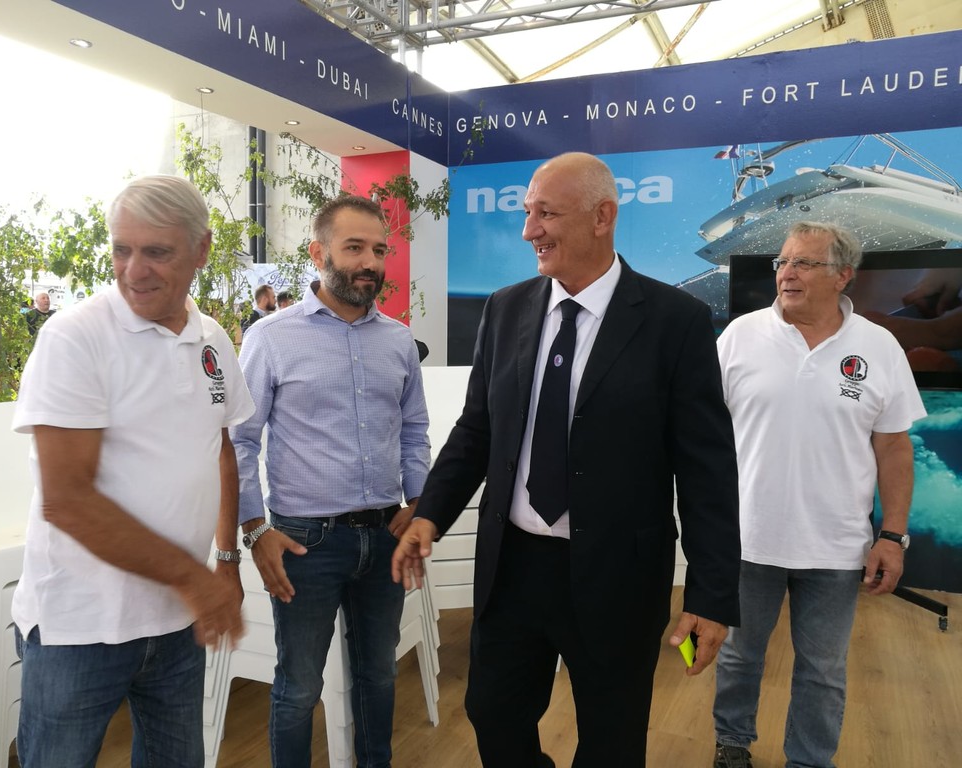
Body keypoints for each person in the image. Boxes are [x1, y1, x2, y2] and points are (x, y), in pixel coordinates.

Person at [392, 152, 741, 768]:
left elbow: (706, 470)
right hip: (513, 566)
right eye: (528, 213)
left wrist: (710, 596)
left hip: (618, 575)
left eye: (546, 214)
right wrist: (430, 513)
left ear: (602, 217)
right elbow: (477, 429)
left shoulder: (675, 321)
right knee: (493, 713)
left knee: (612, 739)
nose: (529, 230)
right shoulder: (505, 308)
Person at [11, 175, 255, 767]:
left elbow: (219, 448)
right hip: (79, 625)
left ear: (201, 250)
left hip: (177, 624)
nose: (133, 270)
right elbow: (68, 500)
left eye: (156, 252)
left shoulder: (212, 339)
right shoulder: (74, 337)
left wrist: (226, 558)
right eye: (122, 249)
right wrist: (195, 579)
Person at [711, 221, 926, 768]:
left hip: (836, 546)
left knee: (823, 670)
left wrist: (893, 536)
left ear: (842, 276)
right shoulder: (739, 336)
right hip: (749, 538)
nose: (787, 273)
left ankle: (808, 761)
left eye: (804, 263)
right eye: (783, 262)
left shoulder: (879, 345)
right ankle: (731, 743)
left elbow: (894, 448)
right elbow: (704, 434)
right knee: (738, 655)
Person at [232, 195, 430, 768]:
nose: (370, 262)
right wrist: (254, 529)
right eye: (354, 248)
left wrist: (420, 503)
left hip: (386, 537)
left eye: (379, 250)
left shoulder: (398, 340)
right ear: (318, 253)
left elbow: (414, 429)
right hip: (304, 543)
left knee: (379, 676)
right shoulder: (271, 337)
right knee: (298, 687)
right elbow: (241, 440)